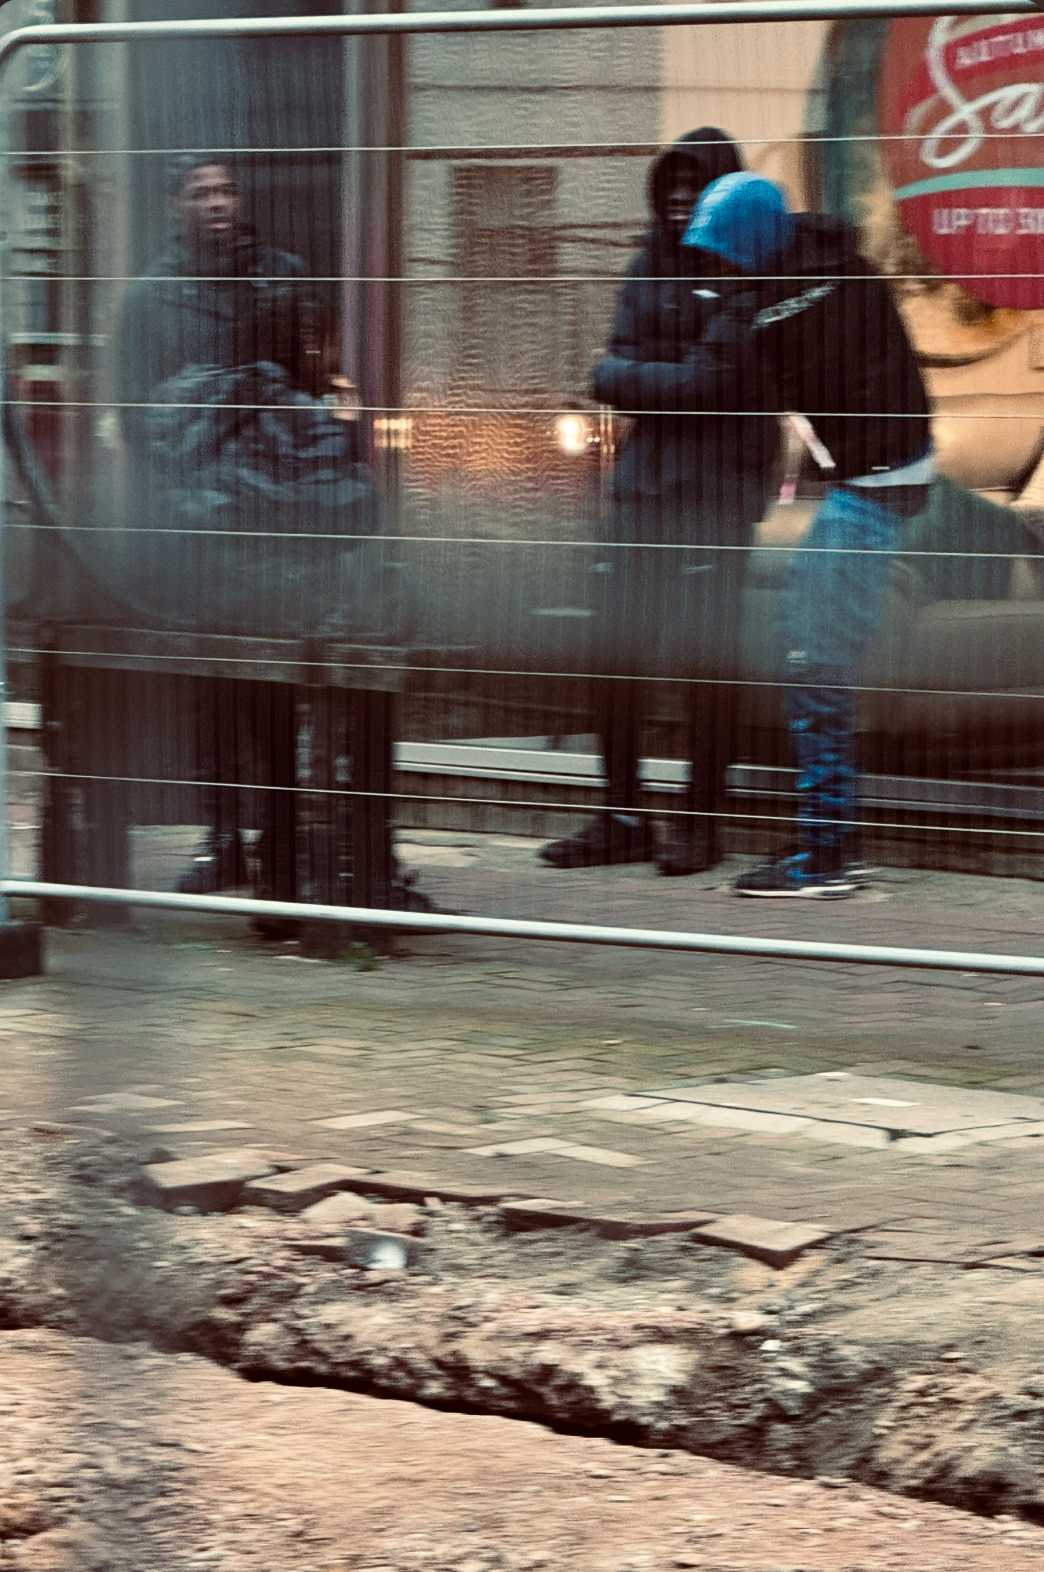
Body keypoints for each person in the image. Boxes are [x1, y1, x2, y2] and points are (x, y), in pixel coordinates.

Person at [596, 172, 933, 897]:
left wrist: (612, 375)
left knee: (813, 661)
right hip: (885, 474)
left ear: (749, 247)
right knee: (813, 656)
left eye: (724, 257)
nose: (720, 272)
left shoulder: (775, 308)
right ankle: (830, 838)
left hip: (872, 484)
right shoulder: (838, 264)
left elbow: (705, 381)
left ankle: (825, 857)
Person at [539, 130, 779, 876]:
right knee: (614, 652)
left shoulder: (746, 273)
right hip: (643, 489)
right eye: (670, 184)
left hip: (714, 495)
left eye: (694, 186)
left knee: (704, 665)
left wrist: (641, 377)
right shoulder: (645, 264)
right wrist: (655, 378)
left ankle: (701, 823)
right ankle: (622, 818)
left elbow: (708, 382)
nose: (679, 197)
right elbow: (610, 372)